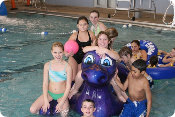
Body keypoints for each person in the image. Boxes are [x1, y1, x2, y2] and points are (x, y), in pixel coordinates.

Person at [68, 31, 127, 102]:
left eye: (105, 39)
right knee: (79, 74)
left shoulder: (111, 51)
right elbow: (84, 49)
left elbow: (117, 57)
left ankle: (119, 95)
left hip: (107, 74)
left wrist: (106, 51)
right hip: (93, 72)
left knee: (115, 79)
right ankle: (75, 89)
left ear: (109, 41)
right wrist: (96, 48)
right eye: (100, 39)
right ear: (97, 41)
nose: (102, 41)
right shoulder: (94, 49)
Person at [30, 42, 72, 116]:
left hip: (61, 95)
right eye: (55, 52)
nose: (58, 55)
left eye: (60, 52)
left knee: (64, 114)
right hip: (50, 93)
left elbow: (68, 86)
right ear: (51, 52)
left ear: (64, 52)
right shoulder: (47, 65)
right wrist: (46, 100)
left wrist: (62, 102)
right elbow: (45, 84)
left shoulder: (68, 67)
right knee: (33, 110)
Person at [65, 16, 96, 81]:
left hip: (85, 58)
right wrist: (67, 54)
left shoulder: (91, 34)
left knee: (79, 77)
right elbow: (66, 48)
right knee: (72, 78)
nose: (83, 26)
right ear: (78, 26)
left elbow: (95, 46)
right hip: (74, 57)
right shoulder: (74, 35)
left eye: (84, 24)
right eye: (80, 25)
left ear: (87, 25)